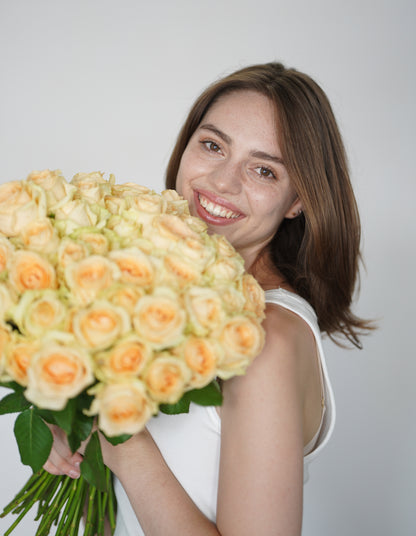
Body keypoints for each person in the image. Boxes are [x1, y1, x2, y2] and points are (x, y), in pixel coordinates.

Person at [44, 62, 372, 535]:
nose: (222, 181)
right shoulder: (168, 297)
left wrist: (127, 445)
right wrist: (73, 426)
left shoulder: (263, 341)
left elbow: (137, 455)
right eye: (213, 145)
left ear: (299, 199)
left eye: (263, 169)